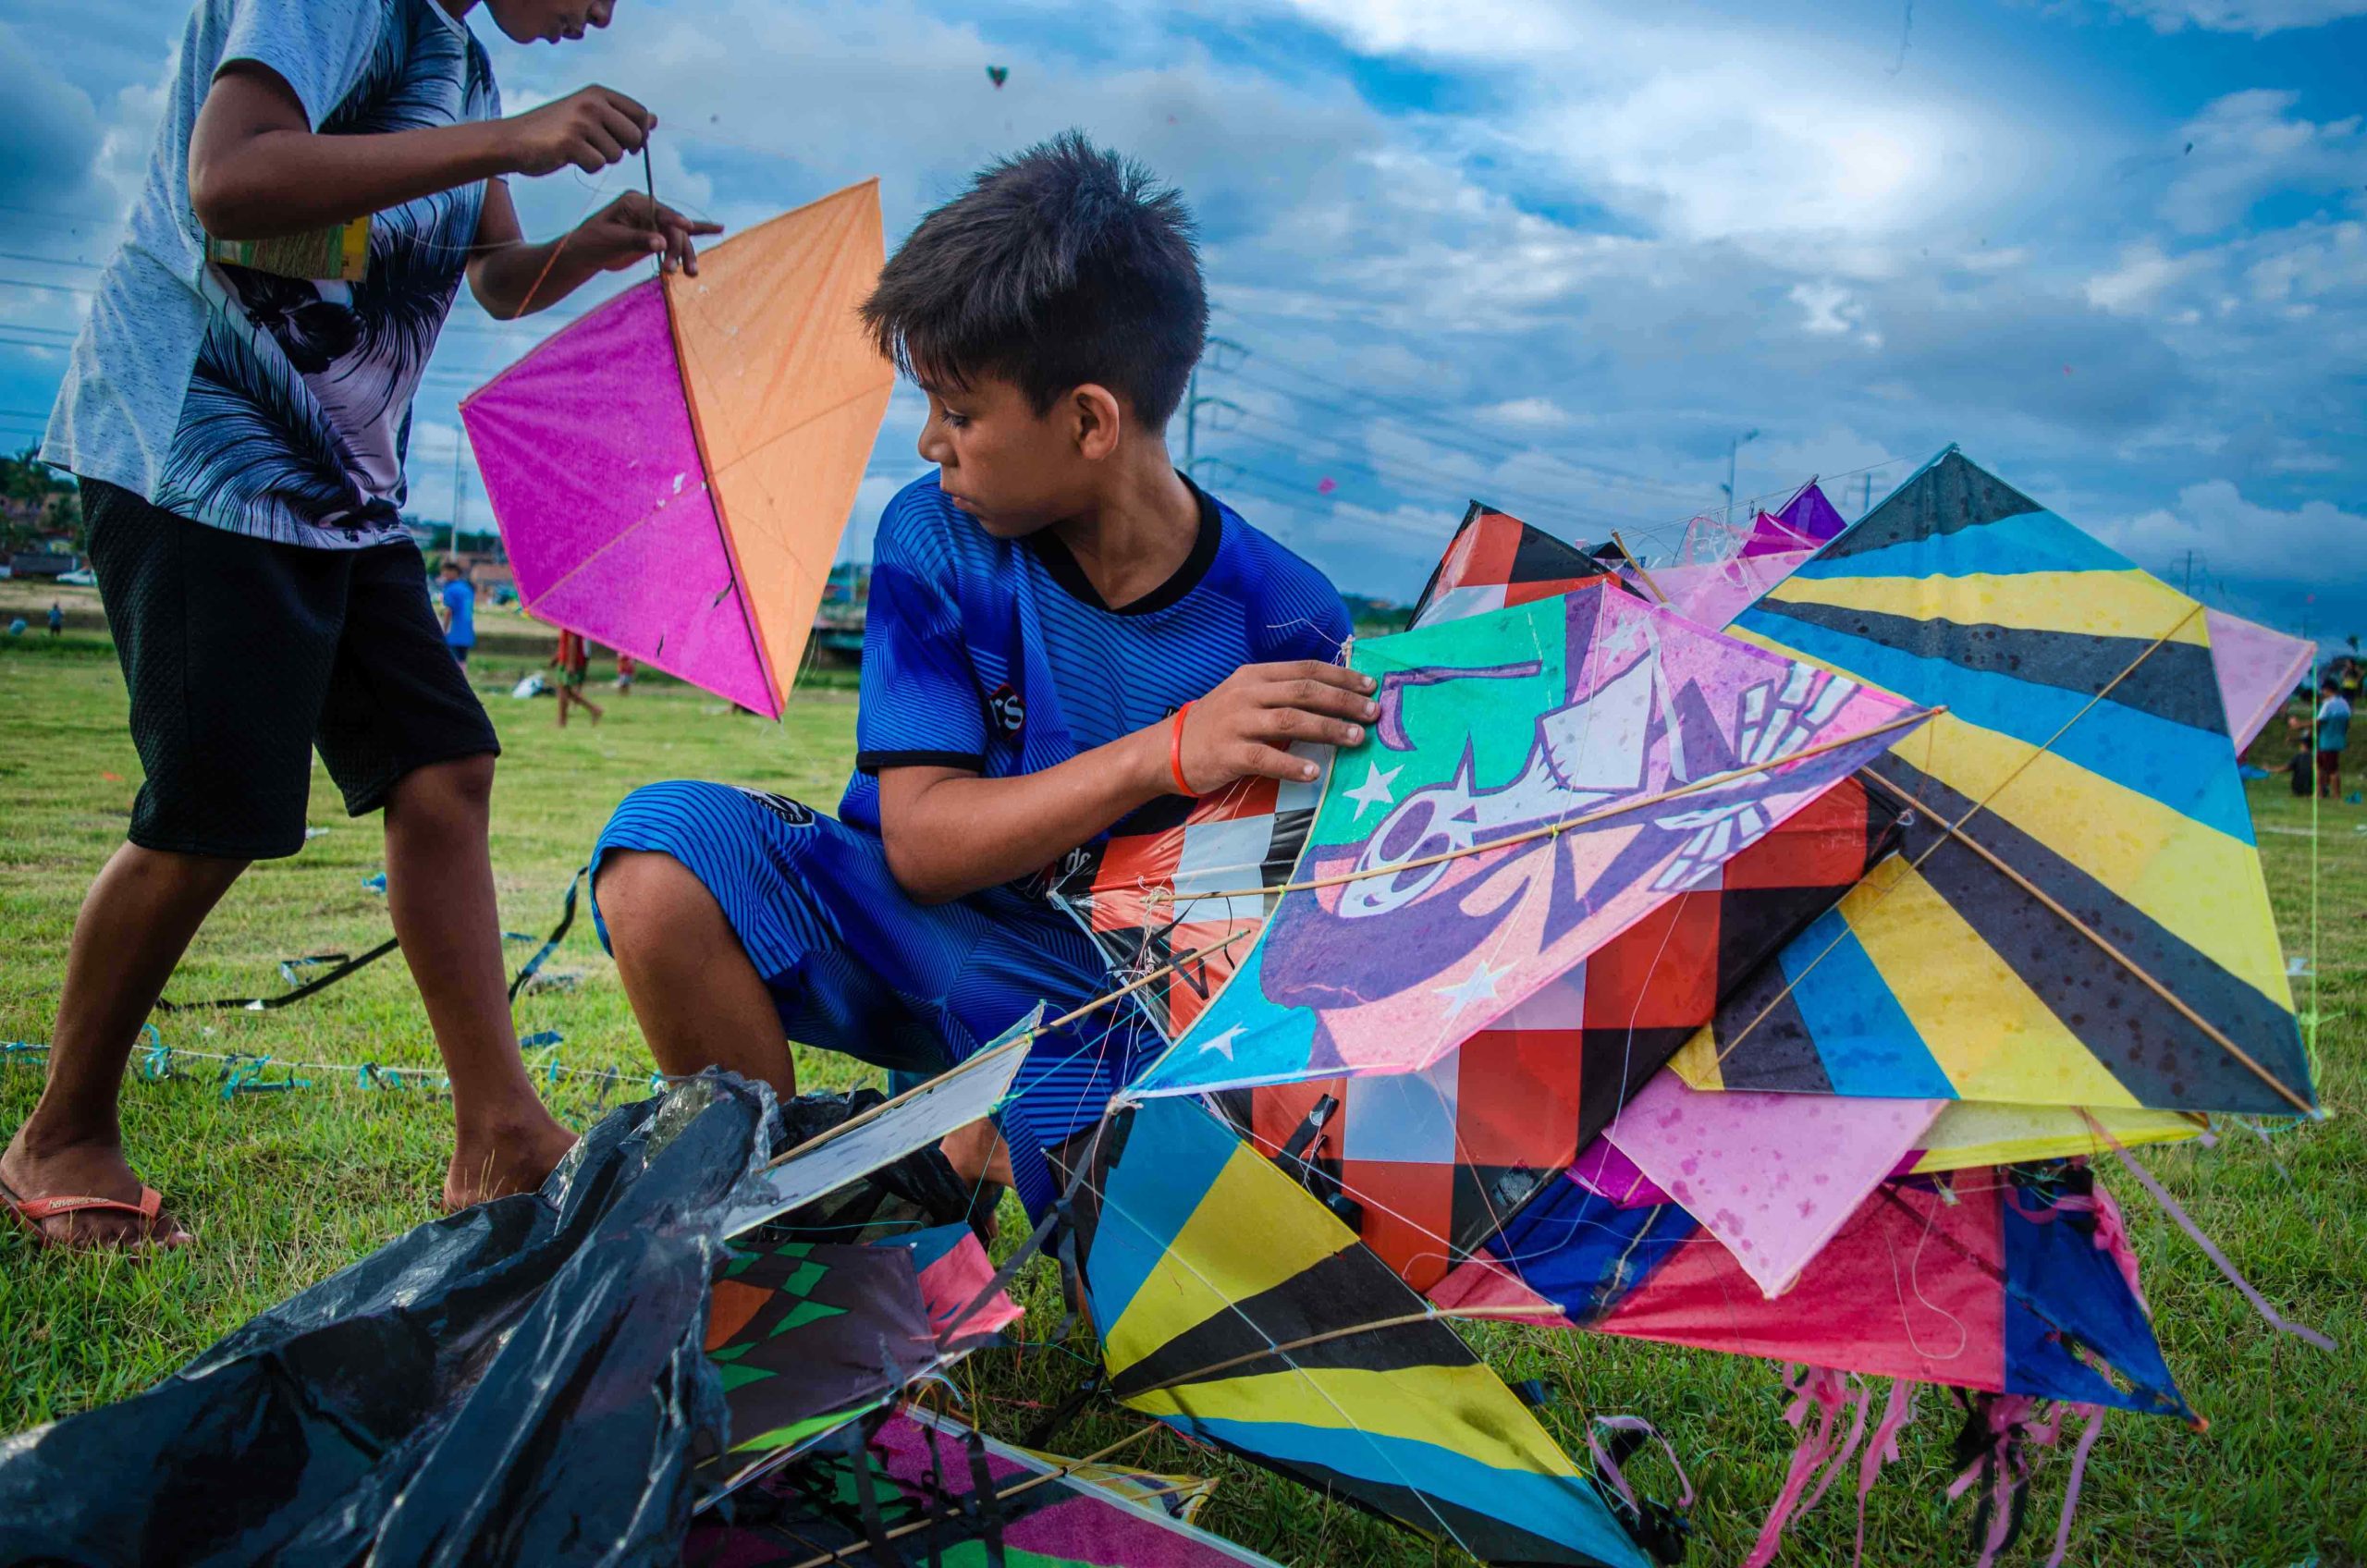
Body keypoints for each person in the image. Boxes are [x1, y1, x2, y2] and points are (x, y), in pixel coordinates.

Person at [4, 0, 721, 1250]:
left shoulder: (467, 58)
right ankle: (59, 1132)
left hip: (336, 482)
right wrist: (511, 141)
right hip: (198, 444)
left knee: (442, 766)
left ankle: (500, 1133)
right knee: (212, 808)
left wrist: (593, 242)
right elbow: (231, 181)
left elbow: (494, 282)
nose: (604, 10)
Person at [588, 134, 1366, 1221]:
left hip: (1108, 1004)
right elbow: (920, 845)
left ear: (1089, 420)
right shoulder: (939, 538)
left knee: (1188, 1310)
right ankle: (770, 1223)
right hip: (920, 937)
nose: (927, 443)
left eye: (958, 412)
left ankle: (978, 1151)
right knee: (663, 856)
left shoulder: (1288, 621)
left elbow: (1264, 952)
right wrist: (1167, 747)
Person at [551, 626, 603, 727]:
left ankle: (562, 721)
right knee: (564, 690)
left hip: (569, 661)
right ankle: (594, 710)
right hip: (565, 659)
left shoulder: (571, 620)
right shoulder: (566, 620)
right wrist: (557, 657)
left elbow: (573, 640)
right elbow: (565, 641)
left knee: (563, 690)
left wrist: (571, 663)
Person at [2317, 675, 2350, 801]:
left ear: (2327, 689)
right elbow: (2348, 723)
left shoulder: (2328, 704)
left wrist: (2299, 724)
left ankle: (2335, 795)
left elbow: (2319, 721)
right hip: (2337, 740)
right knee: (2322, 766)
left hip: (2327, 740)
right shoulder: (2344, 703)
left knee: (2331, 769)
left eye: (2323, 690)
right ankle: (2320, 793)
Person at [437, 557, 476, 664]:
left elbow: (449, 611)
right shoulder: (467, 588)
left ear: (454, 572)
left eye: (445, 571)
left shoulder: (451, 589)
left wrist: (443, 631)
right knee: (462, 661)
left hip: (454, 633)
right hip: (467, 632)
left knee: (452, 663)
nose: (443, 574)